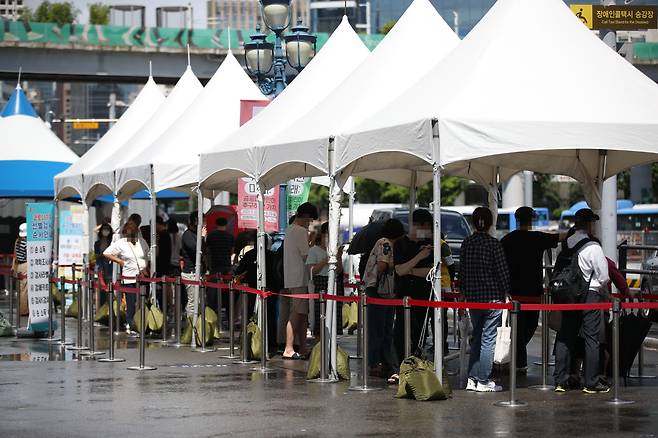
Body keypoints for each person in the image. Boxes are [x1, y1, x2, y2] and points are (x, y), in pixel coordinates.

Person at [553, 209, 610, 394]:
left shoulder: (567, 243)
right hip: (590, 295)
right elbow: (603, 276)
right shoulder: (593, 246)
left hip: (568, 295)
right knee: (591, 338)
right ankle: (591, 382)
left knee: (565, 335)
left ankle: (561, 381)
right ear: (590, 224)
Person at [501, 206, 560, 371]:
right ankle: (518, 360)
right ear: (532, 220)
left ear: (517, 219)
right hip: (534, 290)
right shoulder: (538, 238)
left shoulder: (507, 239)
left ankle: (515, 358)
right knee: (531, 325)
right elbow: (560, 238)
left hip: (513, 291)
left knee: (516, 327)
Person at [460, 206, 511, 393]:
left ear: (474, 222)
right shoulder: (493, 244)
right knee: (488, 340)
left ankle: (472, 379)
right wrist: (508, 291)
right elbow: (503, 272)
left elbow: (462, 272)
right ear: (490, 223)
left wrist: (463, 292)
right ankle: (483, 380)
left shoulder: (467, 243)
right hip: (493, 299)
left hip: (473, 298)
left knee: (477, 338)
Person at [392, 210, 437, 376]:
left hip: (424, 295)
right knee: (401, 331)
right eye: (424, 226)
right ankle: (402, 366)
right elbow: (399, 270)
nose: (426, 231)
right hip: (404, 295)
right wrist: (419, 257)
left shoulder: (433, 243)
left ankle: (415, 363)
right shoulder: (401, 244)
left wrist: (410, 270)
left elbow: (432, 271)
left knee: (421, 332)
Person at [363, 218, 406, 378]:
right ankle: (376, 362)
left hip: (379, 290)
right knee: (379, 328)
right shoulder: (385, 243)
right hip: (379, 290)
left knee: (384, 328)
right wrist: (394, 265)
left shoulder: (383, 242)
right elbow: (382, 265)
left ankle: (384, 361)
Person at [282, 202, 318, 360]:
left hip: (292, 277)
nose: (309, 223)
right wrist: (312, 242)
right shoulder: (300, 231)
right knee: (296, 313)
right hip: (299, 278)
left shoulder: (290, 229)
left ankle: (303, 347)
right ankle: (289, 348)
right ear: (305, 217)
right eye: (310, 220)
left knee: (302, 314)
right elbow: (306, 256)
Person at [234, 233, 278, 355]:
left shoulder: (249, 254)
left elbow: (239, 271)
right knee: (270, 316)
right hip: (270, 291)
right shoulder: (271, 255)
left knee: (250, 316)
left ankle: (250, 340)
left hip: (252, 290)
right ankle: (270, 342)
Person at [103, 221, 150, 333]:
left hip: (143, 277)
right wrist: (120, 261)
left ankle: (142, 323)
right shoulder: (121, 243)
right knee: (131, 302)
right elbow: (106, 253)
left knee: (143, 301)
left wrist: (147, 267)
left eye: (133, 233)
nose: (131, 236)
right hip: (129, 277)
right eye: (129, 234)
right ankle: (131, 323)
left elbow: (148, 255)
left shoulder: (142, 242)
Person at [306, 222, 343, 337]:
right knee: (320, 315)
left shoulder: (335, 251)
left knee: (335, 314)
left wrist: (339, 257)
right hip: (320, 283)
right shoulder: (314, 250)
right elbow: (312, 271)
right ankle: (319, 343)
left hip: (335, 282)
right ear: (323, 235)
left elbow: (339, 271)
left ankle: (333, 343)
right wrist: (325, 261)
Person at [180, 211, 206, 321]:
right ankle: (190, 326)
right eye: (203, 221)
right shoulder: (187, 235)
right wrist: (202, 237)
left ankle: (195, 324)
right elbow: (196, 249)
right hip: (190, 273)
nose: (205, 224)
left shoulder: (195, 234)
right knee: (193, 301)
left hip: (198, 272)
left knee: (198, 301)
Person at [206, 217, 235, 314]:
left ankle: (211, 311)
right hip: (226, 265)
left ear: (216, 224)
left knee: (212, 288)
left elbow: (208, 251)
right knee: (227, 289)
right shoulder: (230, 236)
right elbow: (231, 252)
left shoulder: (211, 236)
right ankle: (228, 310)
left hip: (214, 265)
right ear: (226, 225)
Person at [94, 223, 114, 304]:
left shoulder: (112, 242)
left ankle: (109, 305)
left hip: (109, 265)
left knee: (109, 286)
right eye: (104, 229)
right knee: (99, 288)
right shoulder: (97, 243)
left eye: (107, 229)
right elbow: (96, 255)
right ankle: (100, 306)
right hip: (100, 265)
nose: (105, 231)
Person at [12, 223, 28, 316]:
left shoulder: (17, 241)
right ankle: (24, 310)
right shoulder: (27, 242)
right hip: (26, 265)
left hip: (19, 266)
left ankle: (22, 309)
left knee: (21, 289)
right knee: (25, 290)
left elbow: (15, 255)